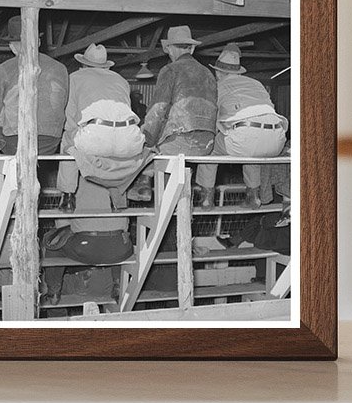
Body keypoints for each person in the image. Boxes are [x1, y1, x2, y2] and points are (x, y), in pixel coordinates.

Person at [51, 43, 147, 269]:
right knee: (118, 157)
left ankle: (66, 196)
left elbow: (70, 116)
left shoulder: (75, 78)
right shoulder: (121, 81)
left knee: (68, 143)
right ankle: (127, 192)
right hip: (127, 136)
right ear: (106, 65)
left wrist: (75, 137)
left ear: (83, 63)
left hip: (95, 133)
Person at [194, 43, 288, 208]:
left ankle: (206, 198)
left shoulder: (217, 86)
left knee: (209, 149)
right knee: (252, 150)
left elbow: (209, 119)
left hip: (245, 137)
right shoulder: (257, 84)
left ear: (218, 72)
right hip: (277, 140)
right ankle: (253, 197)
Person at [0, 15, 69, 155]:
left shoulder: (6, 68)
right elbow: (64, 104)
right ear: (38, 42)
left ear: (12, 46)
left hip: (14, 140)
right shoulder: (60, 68)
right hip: (50, 140)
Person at [142, 25, 217, 157]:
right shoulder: (208, 73)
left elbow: (158, 109)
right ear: (192, 49)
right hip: (206, 143)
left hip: (179, 140)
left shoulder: (170, 70)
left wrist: (147, 140)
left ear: (170, 49)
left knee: (146, 162)